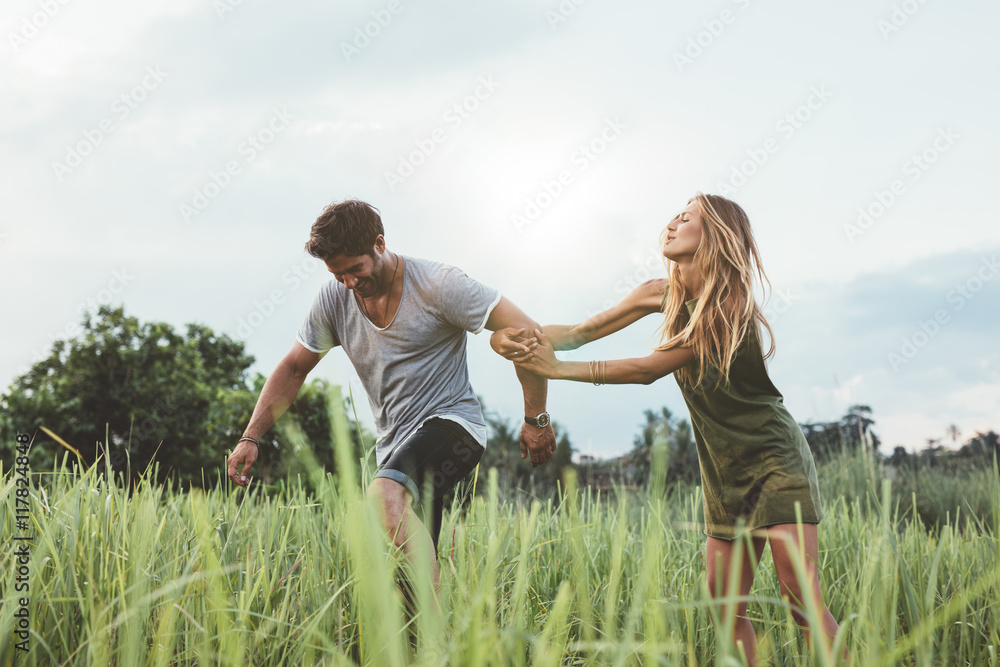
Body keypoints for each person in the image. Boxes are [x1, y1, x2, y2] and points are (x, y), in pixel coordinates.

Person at [490, 193, 842, 666]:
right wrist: (510, 334)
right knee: (724, 609)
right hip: (722, 470)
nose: (673, 222)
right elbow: (577, 332)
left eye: (688, 217)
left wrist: (556, 371)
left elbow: (645, 369)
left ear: (714, 235)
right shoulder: (657, 291)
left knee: (799, 597)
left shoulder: (727, 307)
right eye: (676, 215)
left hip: (774, 460)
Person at [226, 199, 557, 607]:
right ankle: (427, 643)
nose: (348, 282)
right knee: (406, 582)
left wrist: (536, 419)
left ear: (379, 244)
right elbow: (295, 367)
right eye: (337, 273)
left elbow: (528, 332)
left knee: (384, 496)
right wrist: (251, 437)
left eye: (355, 269)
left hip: (454, 426)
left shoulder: (440, 285)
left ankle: (435, 636)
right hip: (395, 446)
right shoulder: (333, 300)